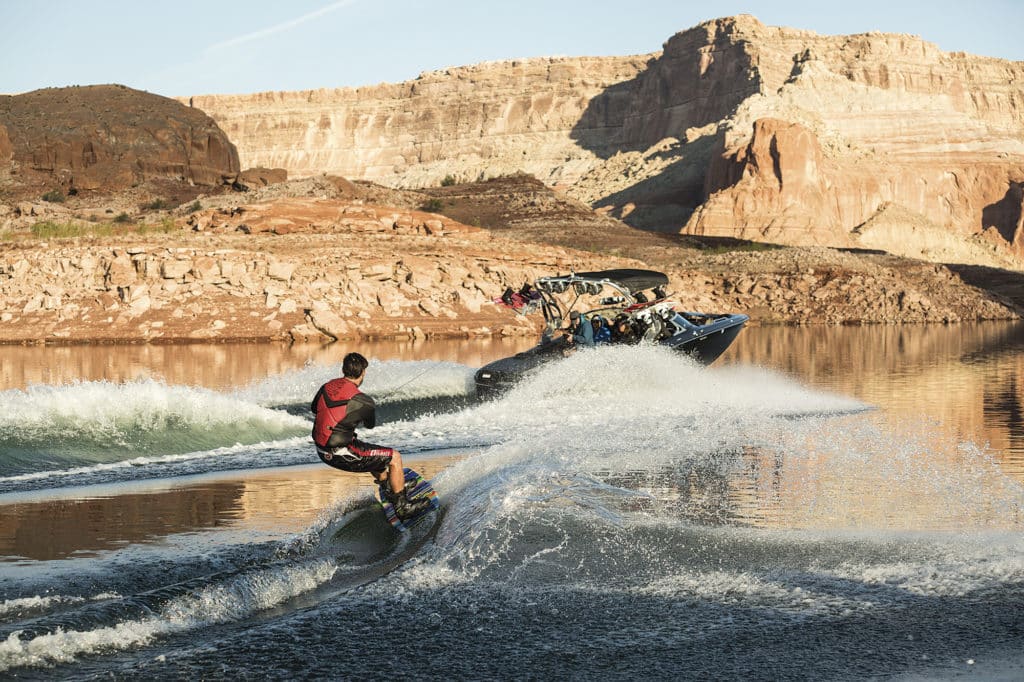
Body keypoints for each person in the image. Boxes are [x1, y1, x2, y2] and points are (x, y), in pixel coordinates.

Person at [311, 352, 429, 519]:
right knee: (394, 457)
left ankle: (391, 488)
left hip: (321, 449)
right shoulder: (363, 400)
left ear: (343, 370)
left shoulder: (326, 386)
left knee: (374, 457)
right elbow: (369, 425)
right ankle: (403, 507)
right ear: (363, 373)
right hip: (340, 453)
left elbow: (315, 408)